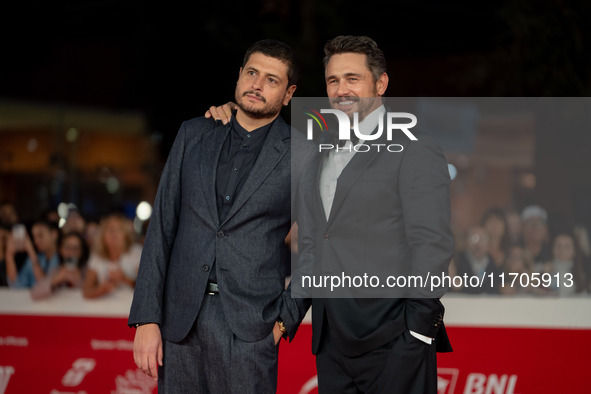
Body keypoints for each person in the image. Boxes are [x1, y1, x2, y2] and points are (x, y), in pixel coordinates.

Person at [208, 35, 454, 394]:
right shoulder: (318, 151)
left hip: (395, 340)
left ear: (380, 83)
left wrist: (416, 333)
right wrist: (232, 114)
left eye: (353, 78)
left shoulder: (415, 149)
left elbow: (431, 245)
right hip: (332, 343)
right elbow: (312, 239)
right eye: (333, 81)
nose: (342, 90)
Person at [129, 39, 310, 393]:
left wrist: (283, 323)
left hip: (251, 329)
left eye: (271, 80)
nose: (257, 85)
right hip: (179, 323)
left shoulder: (302, 154)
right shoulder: (193, 134)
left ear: (288, 94)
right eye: (252, 73)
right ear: (239, 76)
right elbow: (162, 227)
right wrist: (147, 319)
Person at [83, 213, 141, 299]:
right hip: (105, 309)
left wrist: (124, 279)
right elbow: (86, 291)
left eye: (119, 230)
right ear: (103, 235)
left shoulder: (136, 253)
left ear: (126, 234)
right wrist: (102, 289)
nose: (114, 234)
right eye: (110, 230)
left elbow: (147, 286)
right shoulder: (97, 257)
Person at [30, 231, 89, 299]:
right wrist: (56, 280)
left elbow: (93, 292)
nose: (71, 252)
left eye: (75, 248)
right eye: (67, 247)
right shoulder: (56, 270)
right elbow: (35, 294)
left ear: (81, 252)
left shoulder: (88, 271)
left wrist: (79, 281)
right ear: (61, 250)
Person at [5, 218, 60, 288]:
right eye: (34, 237)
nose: (36, 241)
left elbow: (46, 286)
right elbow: (16, 285)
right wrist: (9, 255)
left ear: (54, 234)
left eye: (40, 235)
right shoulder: (33, 259)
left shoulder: (63, 258)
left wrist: (31, 251)